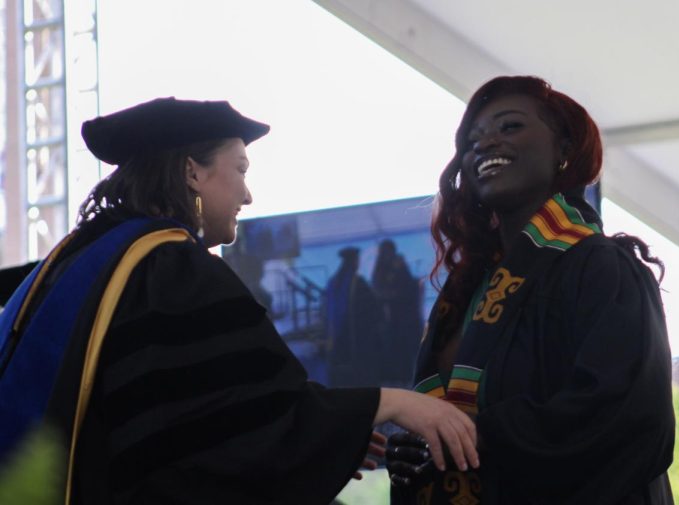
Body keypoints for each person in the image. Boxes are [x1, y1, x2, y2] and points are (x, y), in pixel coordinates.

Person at [0, 97, 478, 505]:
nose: (247, 194)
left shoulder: (83, 258)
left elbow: (185, 415)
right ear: (192, 172)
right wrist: (390, 404)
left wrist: (335, 435)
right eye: (241, 170)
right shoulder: (172, 269)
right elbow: (234, 431)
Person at [386, 76, 676, 504]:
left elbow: (625, 418)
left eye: (510, 127)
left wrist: (475, 436)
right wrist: (412, 449)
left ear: (564, 148)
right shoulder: (460, 295)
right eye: (471, 140)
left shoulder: (601, 267)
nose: (484, 145)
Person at [324, 246, 382, 387]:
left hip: (338, 338)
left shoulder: (334, 282)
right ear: (353, 262)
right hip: (356, 338)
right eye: (357, 260)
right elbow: (372, 306)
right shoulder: (357, 283)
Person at [371, 239, 423, 385]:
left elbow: (408, 288)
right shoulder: (380, 269)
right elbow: (378, 290)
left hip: (404, 319)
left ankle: (407, 378)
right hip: (389, 321)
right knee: (392, 353)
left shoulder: (399, 265)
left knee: (406, 353)